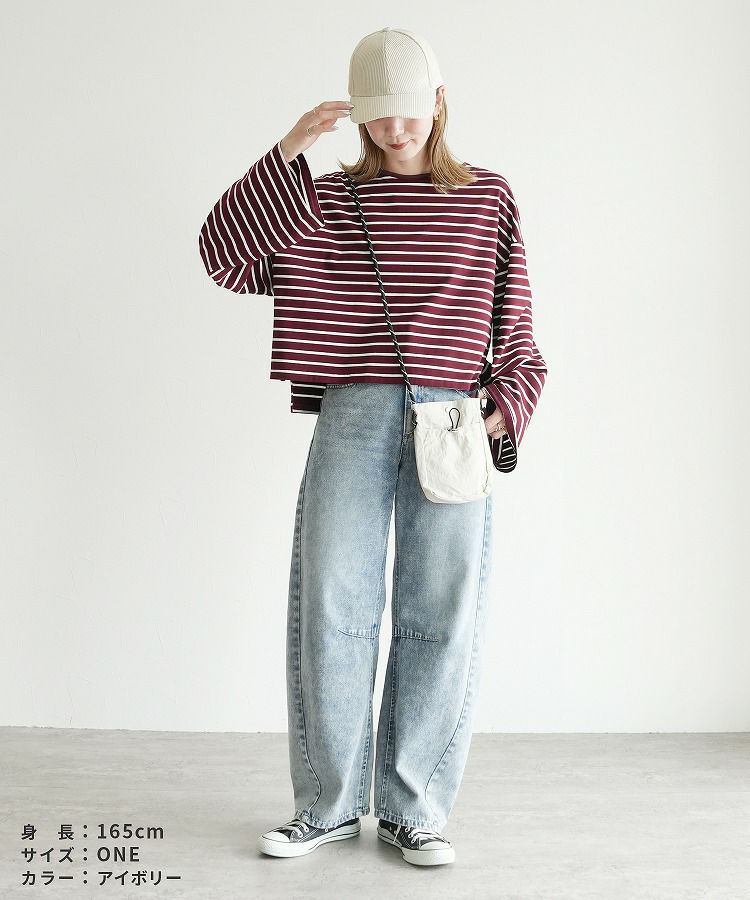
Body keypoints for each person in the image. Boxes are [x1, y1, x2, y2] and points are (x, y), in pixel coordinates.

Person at [198, 26, 547, 867]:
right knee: (332, 611)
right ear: (356, 115)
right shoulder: (320, 201)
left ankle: (413, 810)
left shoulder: (487, 198)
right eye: (378, 114)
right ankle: (325, 806)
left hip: (452, 422)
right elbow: (221, 257)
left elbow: (517, 333)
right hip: (353, 415)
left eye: (410, 110)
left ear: (439, 101)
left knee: (441, 618)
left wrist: (501, 414)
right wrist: (289, 149)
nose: (395, 129)